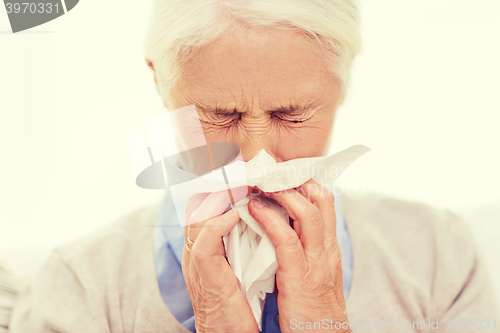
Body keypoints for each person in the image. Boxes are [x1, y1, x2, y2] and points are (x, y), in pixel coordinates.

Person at [9, 0, 499, 332]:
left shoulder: (440, 258)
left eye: (292, 114)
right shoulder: (81, 286)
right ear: (161, 84)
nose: (255, 157)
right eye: (220, 115)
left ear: (344, 86)